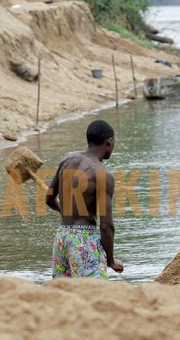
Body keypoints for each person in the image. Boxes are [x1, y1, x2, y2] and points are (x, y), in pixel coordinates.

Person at [46, 119, 124, 279]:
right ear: (109, 142)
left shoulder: (67, 160)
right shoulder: (103, 175)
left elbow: (49, 199)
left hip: (62, 238)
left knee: (64, 296)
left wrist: (66, 211)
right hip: (83, 241)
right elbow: (106, 226)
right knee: (94, 296)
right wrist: (111, 260)